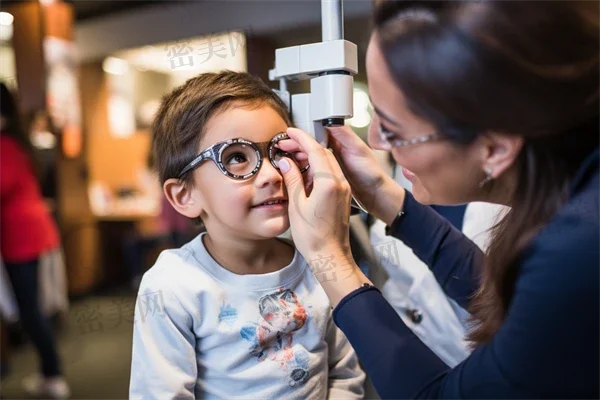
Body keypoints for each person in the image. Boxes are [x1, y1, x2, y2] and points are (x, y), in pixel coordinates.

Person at [275, 0, 600, 398]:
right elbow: (500, 297)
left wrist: (329, 255)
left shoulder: (581, 250)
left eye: (393, 130)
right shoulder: (573, 192)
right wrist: (384, 196)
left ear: (495, 149)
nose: (374, 140)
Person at [129, 71, 365, 399]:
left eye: (280, 153)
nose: (271, 174)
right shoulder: (173, 286)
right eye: (237, 158)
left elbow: (345, 373)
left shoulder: (318, 262)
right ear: (186, 196)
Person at [0, 83, 70, 398]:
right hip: (32, 232)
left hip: (22, 237)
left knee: (31, 309)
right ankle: (50, 371)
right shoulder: (17, 140)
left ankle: (53, 374)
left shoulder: (5, 143)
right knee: (33, 308)